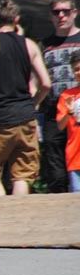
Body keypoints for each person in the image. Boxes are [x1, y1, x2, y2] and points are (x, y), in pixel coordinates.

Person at [0, 0, 51, 196]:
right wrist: (33, 104)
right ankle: (18, 216)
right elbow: (46, 84)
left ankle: (1, 199)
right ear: (17, 20)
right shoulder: (30, 45)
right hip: (25, 117)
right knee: (23, 172)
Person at [39, 0, 80, 193]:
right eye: (56, 12)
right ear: (51, 16)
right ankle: (57, 198)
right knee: (54, 159)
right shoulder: (45, 44)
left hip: (78, 108)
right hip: (53, 109)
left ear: (75, 13)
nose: (61, 16)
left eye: (66, 11)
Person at [56, 51, 80, 192]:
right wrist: (69, 112)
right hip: (75, 157)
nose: (79, 72)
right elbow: (60, 126)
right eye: (76, 69)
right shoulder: (67, 95)